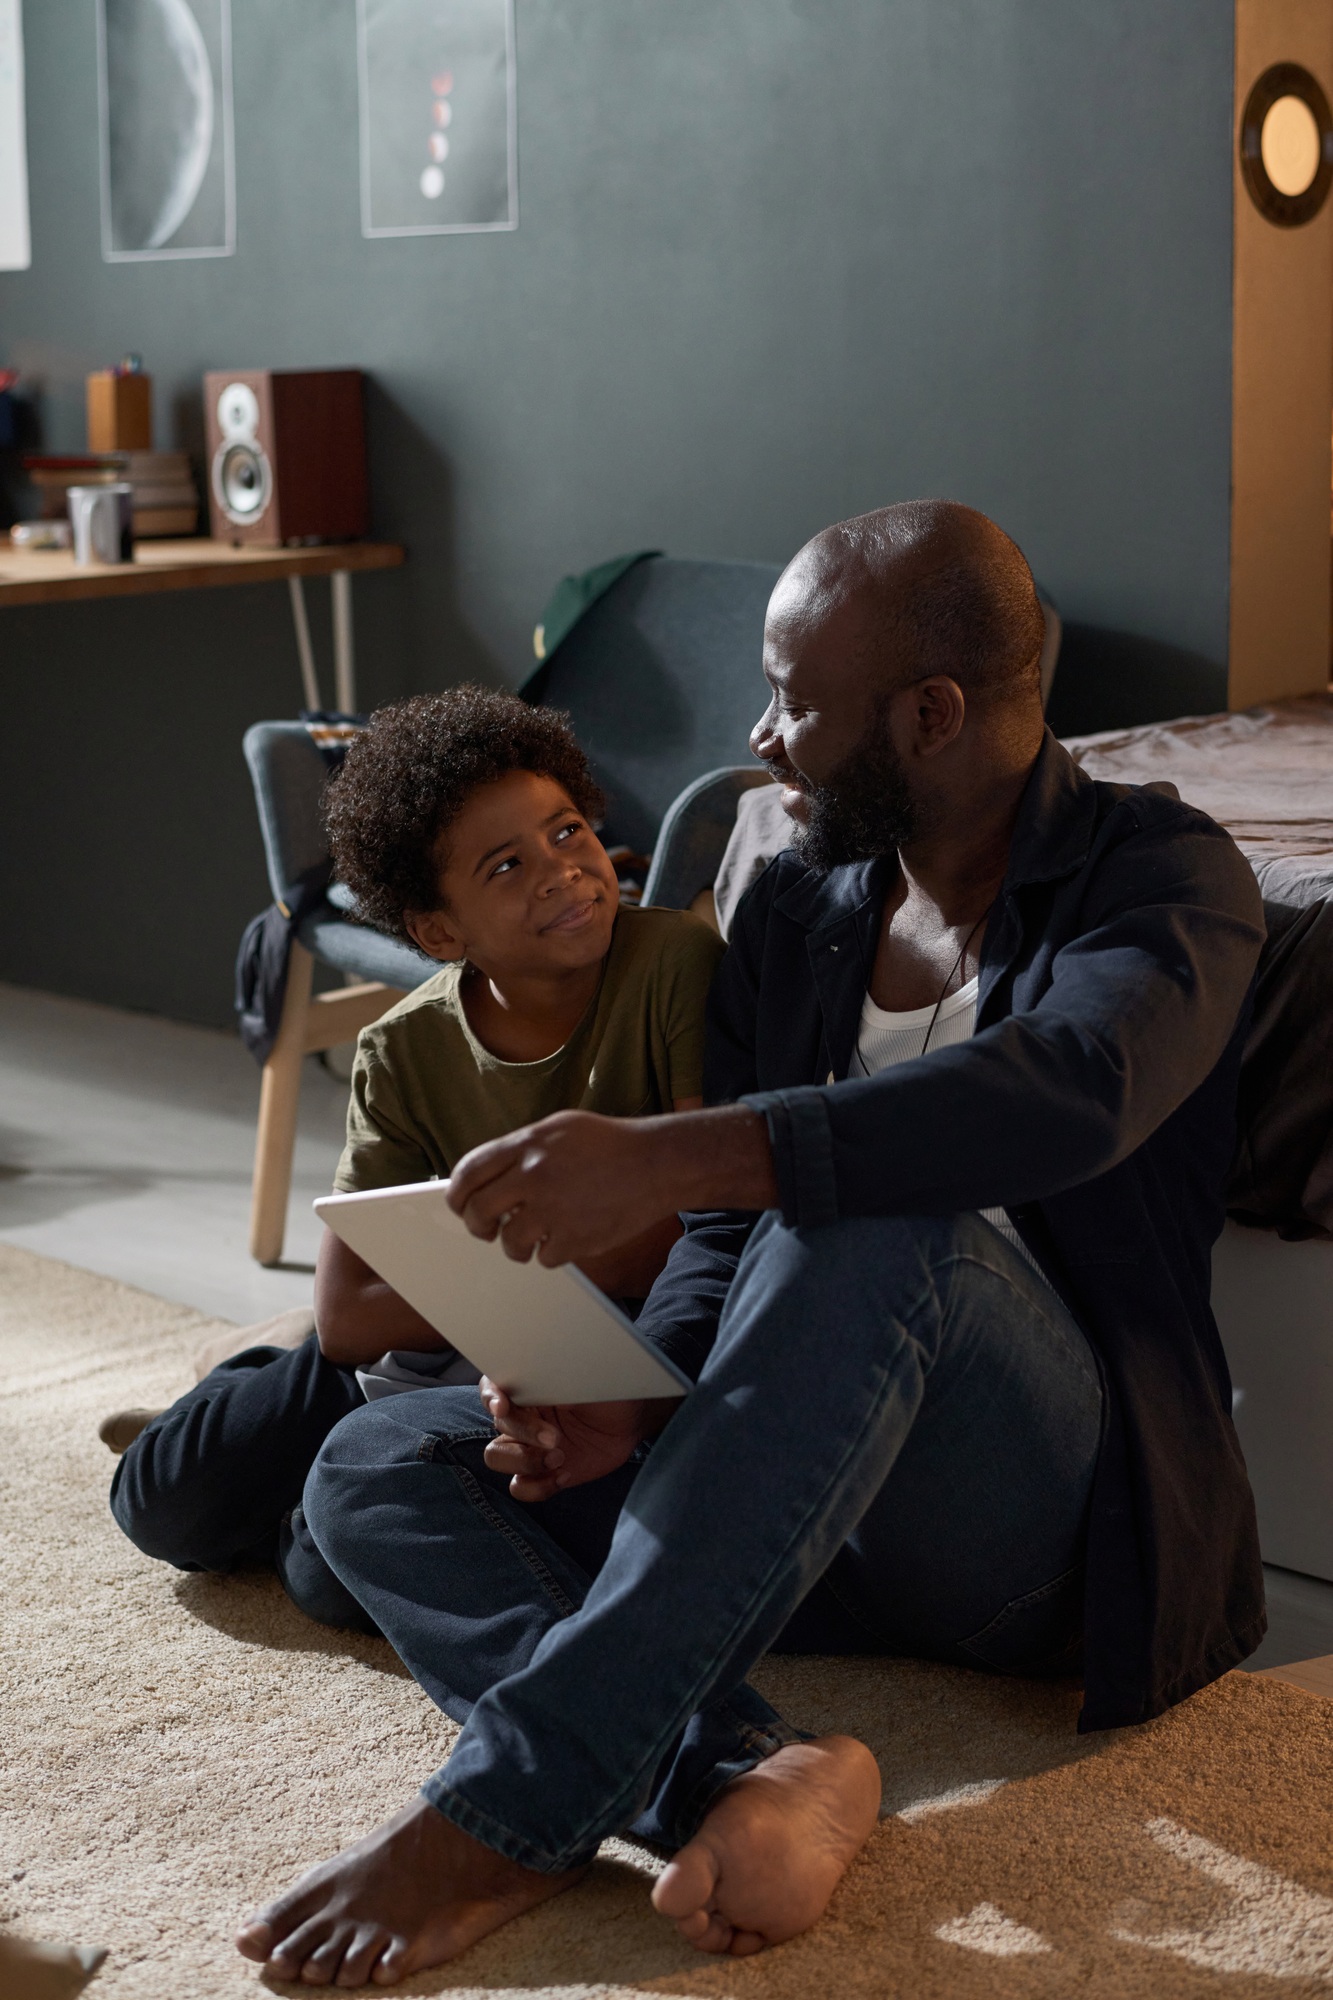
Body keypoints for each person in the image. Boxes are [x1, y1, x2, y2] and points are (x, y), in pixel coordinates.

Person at [237, 501, 1266, 1987]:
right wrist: (638, 1392)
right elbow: (727, 1234)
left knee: (872, 1219)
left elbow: (1072, 1090)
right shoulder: (799, 901)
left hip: (1040, 1526)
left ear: (928, 715)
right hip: (788, 1485)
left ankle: (509, 1809)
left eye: (792, 699)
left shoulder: (1164, 877)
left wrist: (673, 1151)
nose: (760, 737)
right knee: (373, 1463)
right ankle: (739, 1774)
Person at [108, 687, 723, 1627]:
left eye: (567, 832)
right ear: (440, 931)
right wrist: (576, 1252)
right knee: (160, 1504)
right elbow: (348, 1320)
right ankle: (240, 1372)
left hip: (552, 1365)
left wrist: (489, 1272)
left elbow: (697, 1227)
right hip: (411, 1351)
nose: (562, 871)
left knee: (325, 1571)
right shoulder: (403, 1046)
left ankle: (303, 1491)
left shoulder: (676, 963)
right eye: (507, 865)